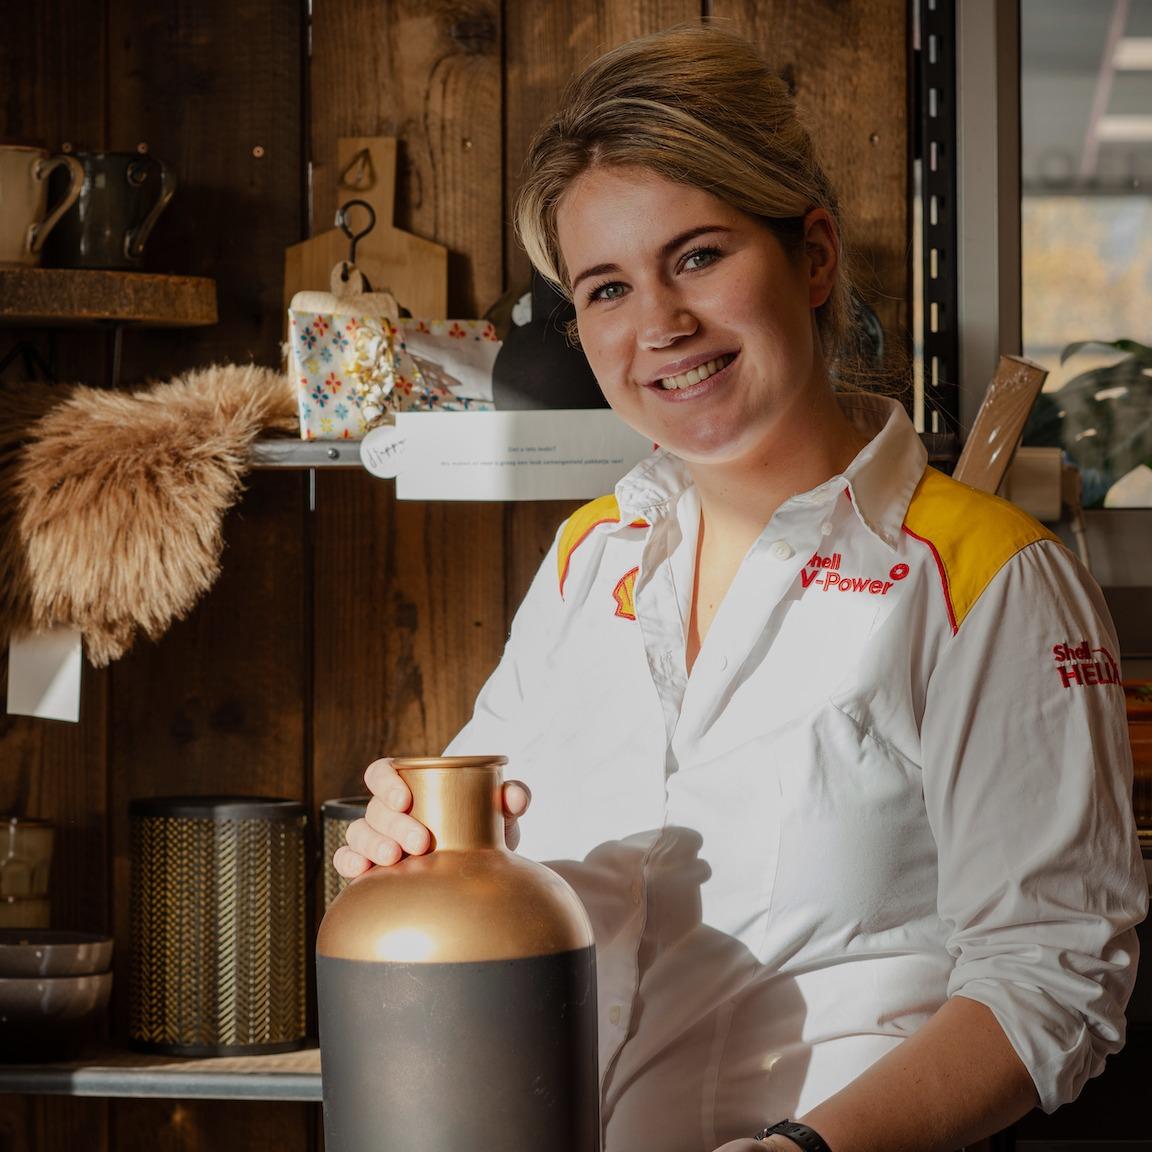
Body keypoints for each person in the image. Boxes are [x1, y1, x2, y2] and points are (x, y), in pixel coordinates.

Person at [334, 25, 1148, 1152]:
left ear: (812, 257)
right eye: (607, 288)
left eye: (699, 257)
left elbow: (1053, 978)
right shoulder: (588, 561)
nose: (659, 326)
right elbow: (498, 861)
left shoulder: (985, 580)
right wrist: (419, 848)